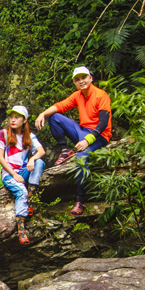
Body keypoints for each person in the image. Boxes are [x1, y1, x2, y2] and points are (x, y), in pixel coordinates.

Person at [34, 66, 112, 216]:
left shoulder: (101, 95)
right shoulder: (78, 95)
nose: (81, 81)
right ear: (75, 82)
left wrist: (87, 141)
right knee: (54, 117)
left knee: (81, 158)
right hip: (82, 131)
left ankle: (81, 199)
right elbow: (60, 106)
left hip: (99, 135)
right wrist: (42, 113)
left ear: (91, 78)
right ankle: (65, 149)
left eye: (84, 77)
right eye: (78, 79)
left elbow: (103, 123)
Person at [0, 105, 46, 244]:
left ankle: (31, 198)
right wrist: (13, 174)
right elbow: (0, 157)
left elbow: (41, 151)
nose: (13, 120)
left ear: (24, 120)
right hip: (9, 173)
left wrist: (32, 158)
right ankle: (21, 229)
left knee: (39, 162)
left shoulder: (29, 136)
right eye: (11, 117)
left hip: (23, 172)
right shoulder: (4, 133)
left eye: (17, 117)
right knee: (21, 192)